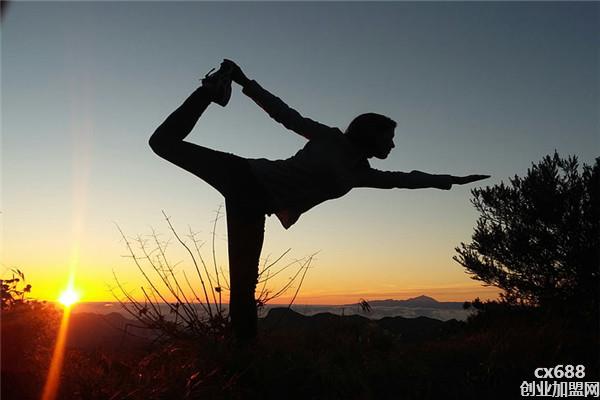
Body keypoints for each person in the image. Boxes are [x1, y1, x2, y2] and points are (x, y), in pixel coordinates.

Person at [149, 59, 490, 344]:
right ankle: (212, 90)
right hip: (245, 175)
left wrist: (451, 180)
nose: (393, 145)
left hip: (253, 205)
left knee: (243, 286)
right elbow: (285, 115)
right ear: (371, 134)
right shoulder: (329, 138)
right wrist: (243, 81)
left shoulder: (359, 173)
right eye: (390, 138)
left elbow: (404, 179)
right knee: (162, 142)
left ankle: (243, 358)